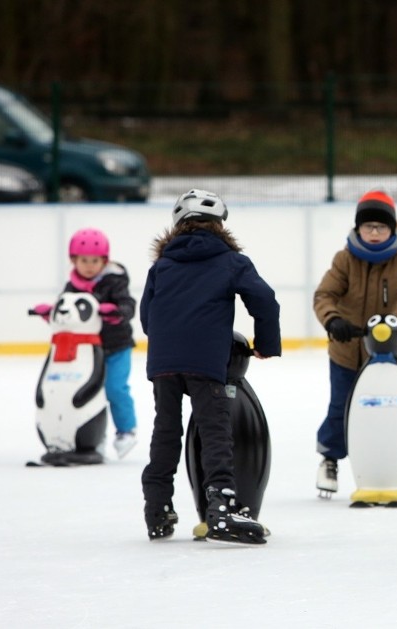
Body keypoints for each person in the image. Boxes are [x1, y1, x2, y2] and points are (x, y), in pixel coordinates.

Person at [139, 189, 281, 544]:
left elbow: (146, 317)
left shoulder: (162, 266)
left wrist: (169, 343)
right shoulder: (231, 261)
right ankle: (222, 506)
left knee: (166, 433)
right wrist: (265, 344)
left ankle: (157, 509)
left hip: (165, 363)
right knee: (216, 432)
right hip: (205, 361)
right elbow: (265, 301)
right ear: (220, 225)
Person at [313, 189, 397, 497]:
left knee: (393, 410)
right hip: (346, 349)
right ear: (358, 229)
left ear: (392, 230)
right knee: (341, 407)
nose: (374, 232)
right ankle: (330, 460)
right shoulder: (344, 259)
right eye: (367, 226)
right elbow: (324, 295)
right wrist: (333, 320)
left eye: (380, 227)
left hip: (385, 353)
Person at [34, 228, 139, 458]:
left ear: (105, 260)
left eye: (95, 261)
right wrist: (49, 314)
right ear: (73, 260)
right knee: (91, 395)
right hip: (88, 351)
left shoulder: (114, 281)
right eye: (84, 261)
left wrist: (118, 312)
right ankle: (96, 436)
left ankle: (126, 431)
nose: (89, 266)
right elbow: (65, 311)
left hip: (116, 347)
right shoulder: (72, 285)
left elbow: (128, 304)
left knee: (114, 388)